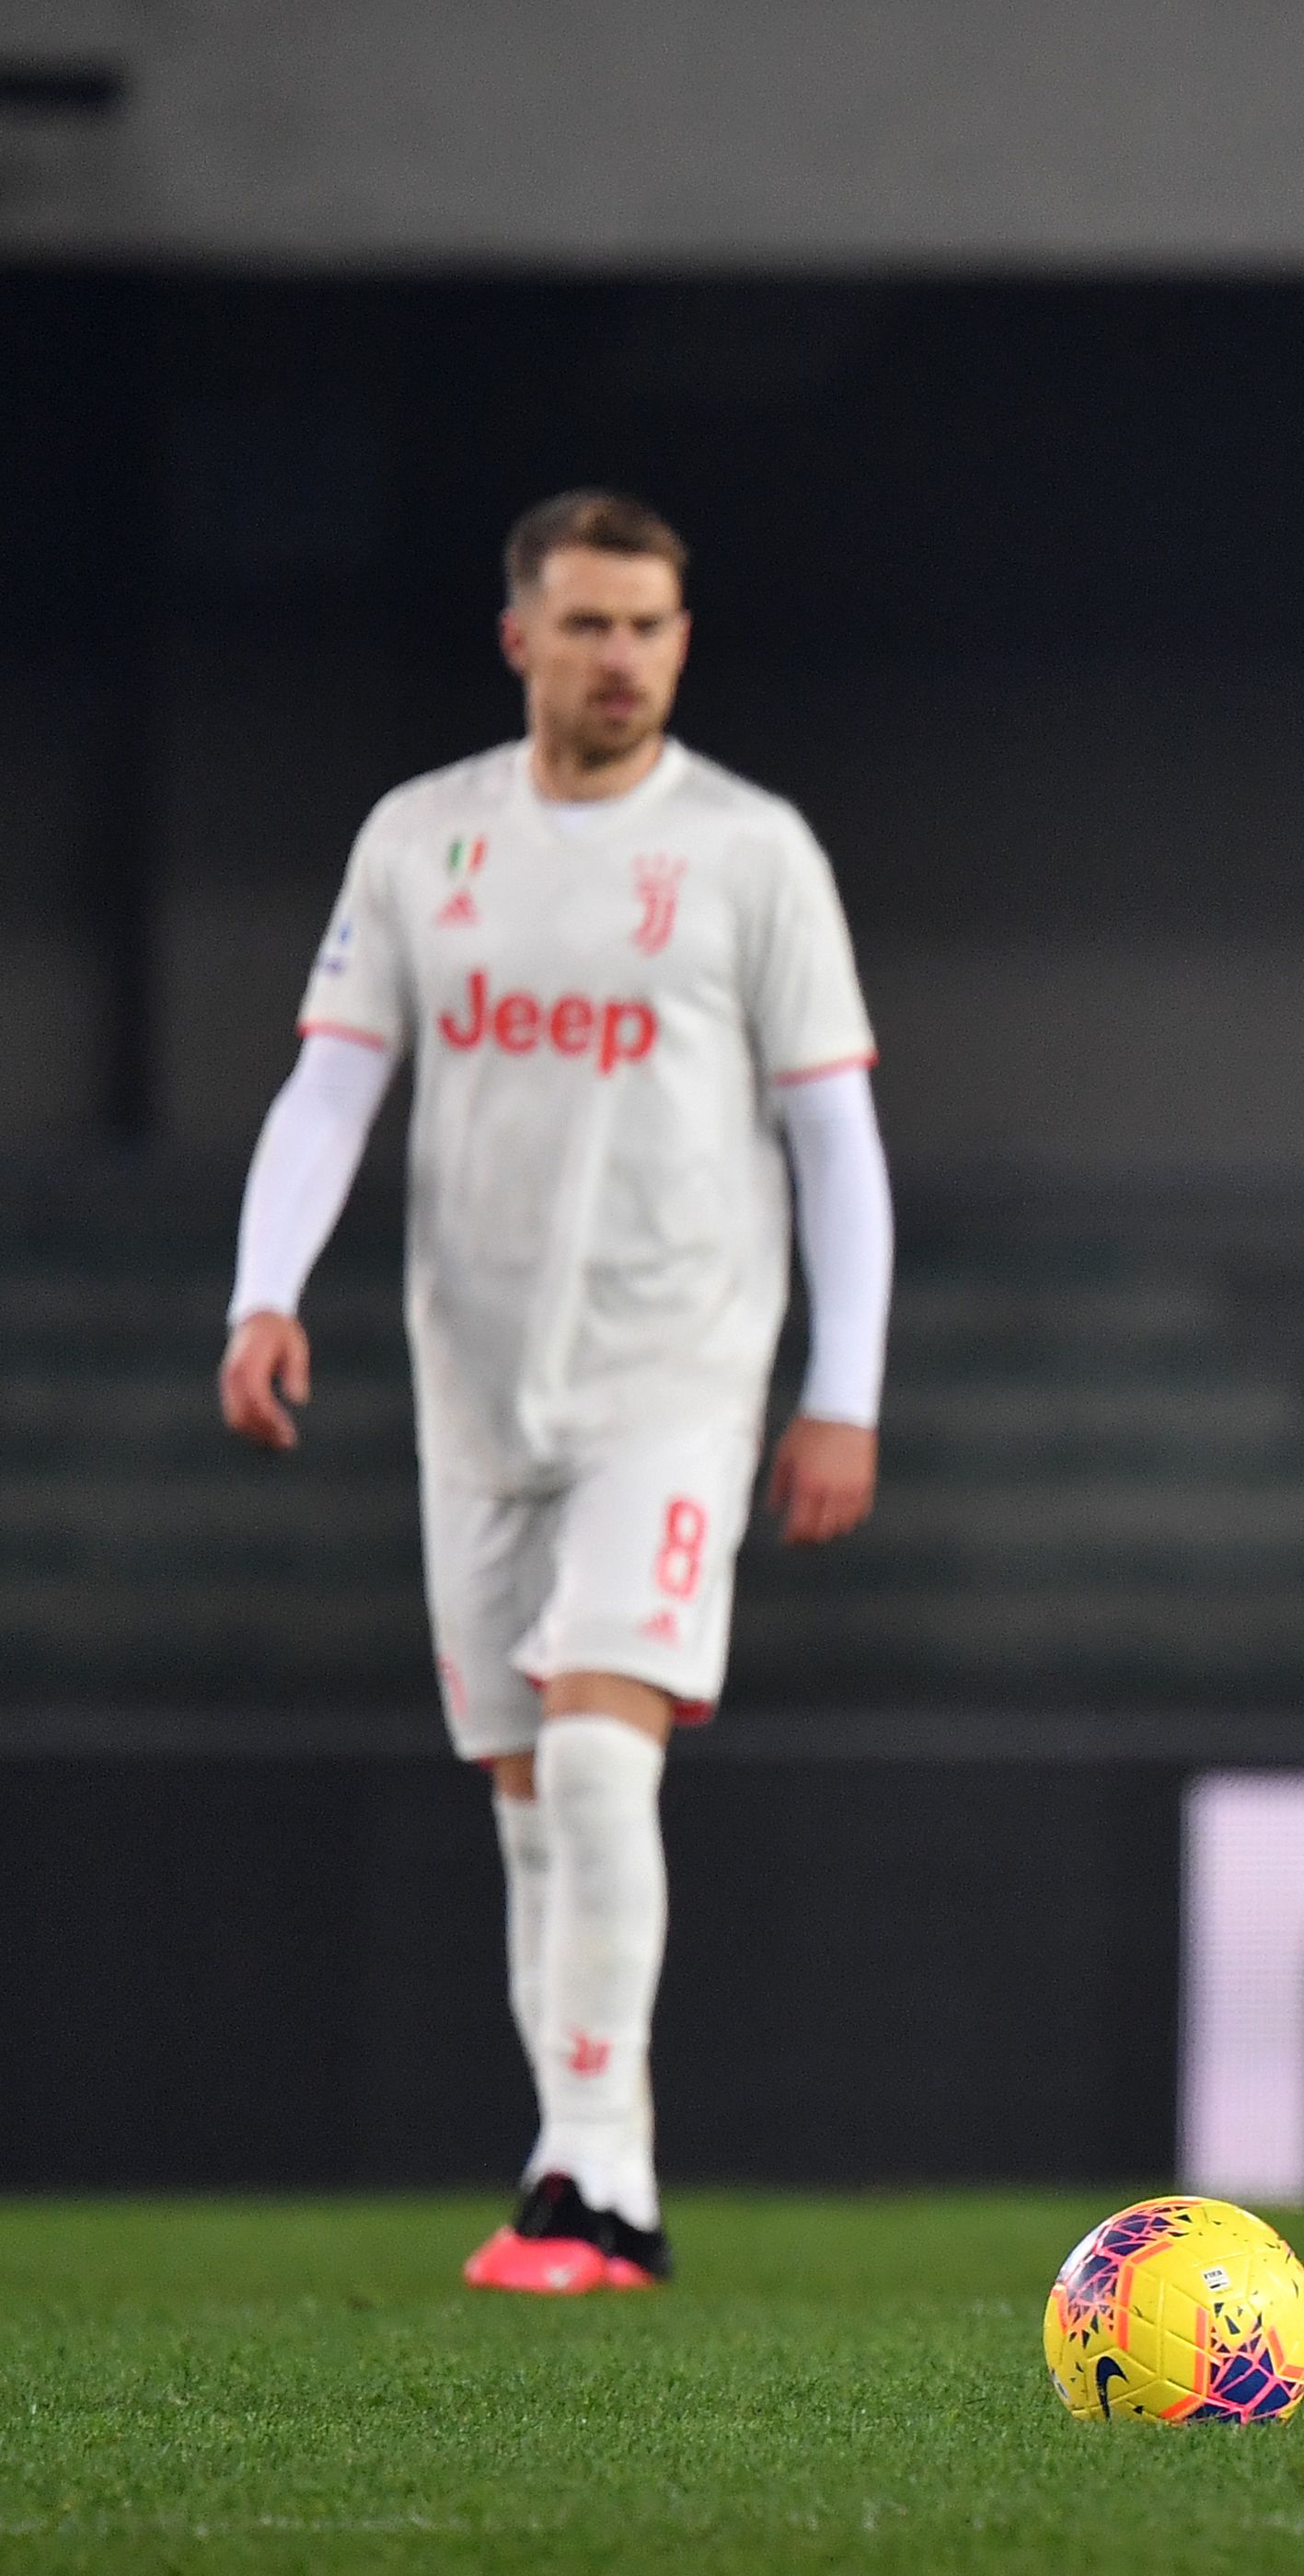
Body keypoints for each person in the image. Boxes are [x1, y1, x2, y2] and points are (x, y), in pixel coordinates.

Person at [216, 489, 894, 2293]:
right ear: (519, 636)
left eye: (652, 625)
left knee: (601, 1753)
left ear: (683, 638)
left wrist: (844, 1388)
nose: (623, 658)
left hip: (674, 1367)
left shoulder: (752, 852)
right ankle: (592, 2164)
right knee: (529, 1796)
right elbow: (330, 1088)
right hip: (478, 1382)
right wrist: (260, 1290)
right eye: (589, 624)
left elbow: (837, 1138)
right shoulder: (422, 841)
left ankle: (595, 2184)